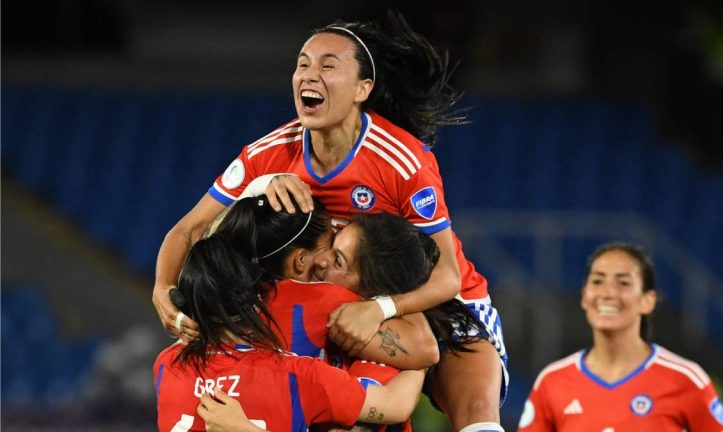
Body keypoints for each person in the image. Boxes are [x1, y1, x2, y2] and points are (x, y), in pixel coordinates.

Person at [152, 12, 508, 432]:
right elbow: (188, 230)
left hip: (423, 299)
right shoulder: (267, 156)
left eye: (327, 65)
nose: (309, 74)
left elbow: (447, 275)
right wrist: (162, 289)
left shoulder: (402, 160)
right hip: (331, 302)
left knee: (478, 419)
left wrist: (379, 309)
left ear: (363, 88)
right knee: (348, 418)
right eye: (302, 63)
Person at [199, 196, 483, 432]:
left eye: (337, 260)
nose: (322, 263)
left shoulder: (374, 351)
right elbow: (424, 354)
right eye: (332, 246)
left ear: (372, 291)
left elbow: (424, 354)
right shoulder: (292, 306)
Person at [154, 234, 426, 432]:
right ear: (256, 298)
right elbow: (397, 405)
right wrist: (420, 363)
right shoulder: (300, 376)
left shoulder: (166, 366)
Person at [516, 242, 723, 432]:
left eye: (623, 282)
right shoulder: (552, 381)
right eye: (597, 281)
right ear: (584, 296)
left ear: (648, 301)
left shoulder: (686, 379)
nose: (608, 293)